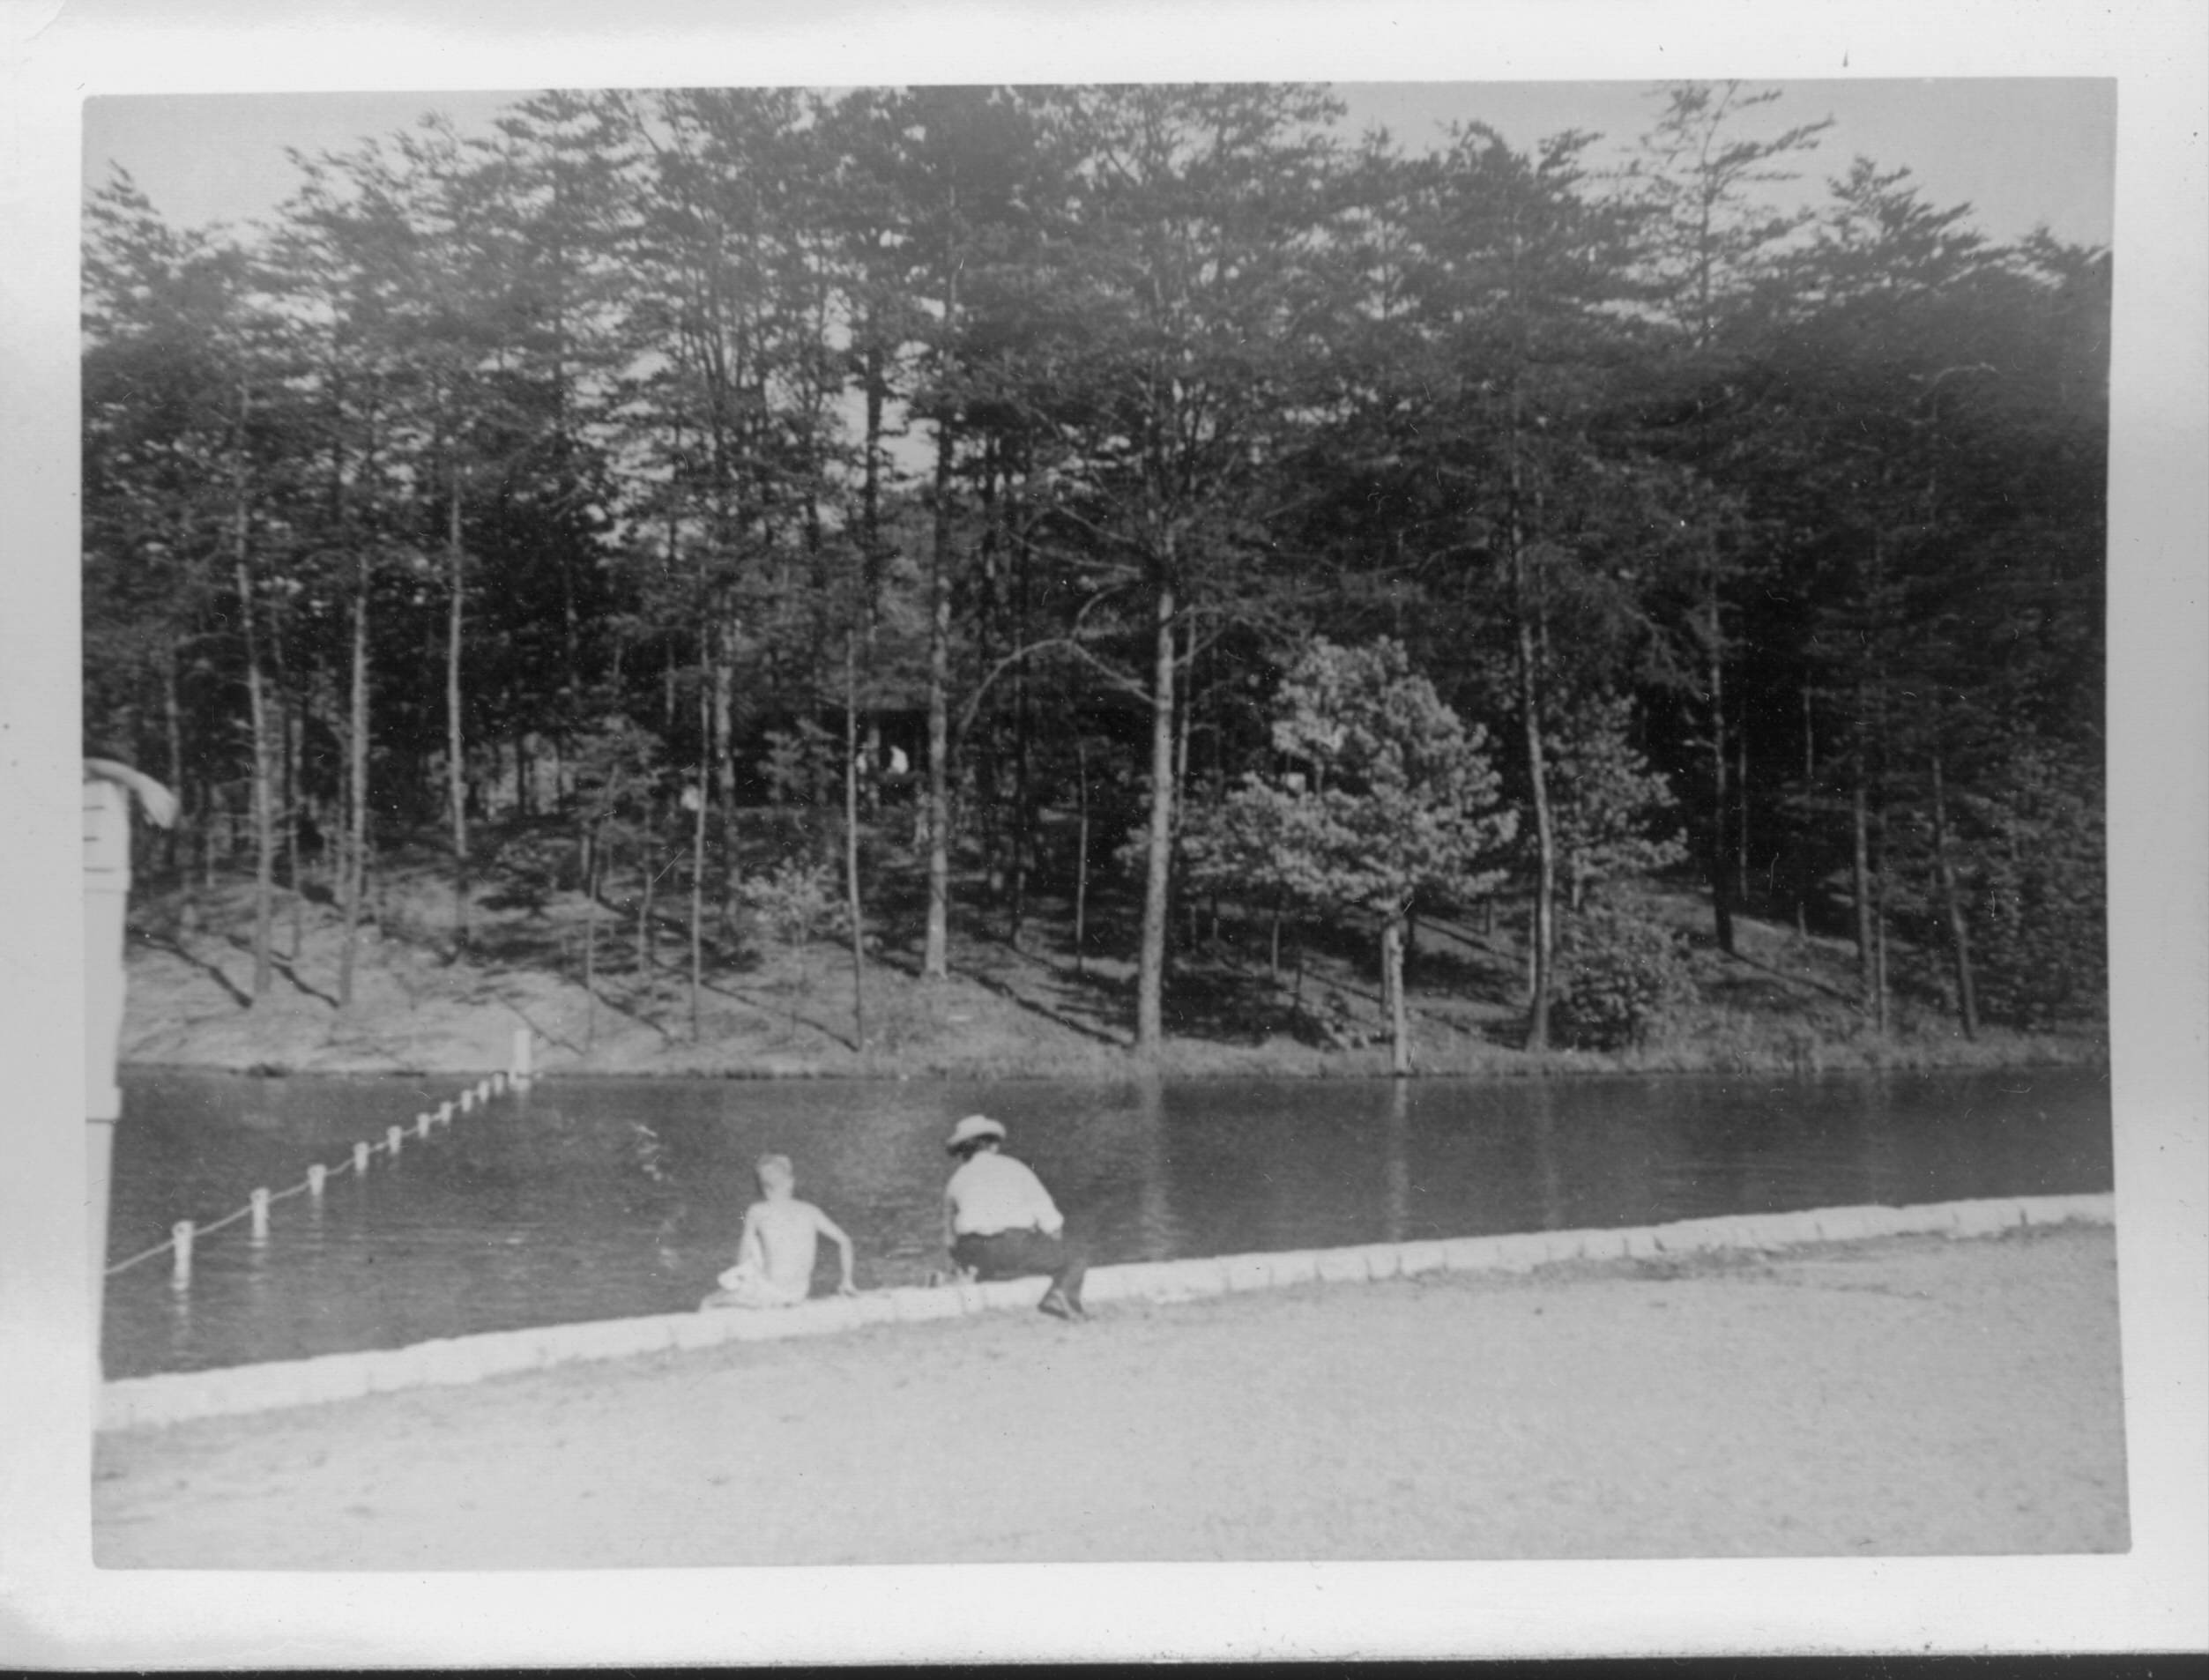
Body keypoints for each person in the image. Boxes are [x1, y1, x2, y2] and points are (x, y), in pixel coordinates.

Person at [941, 1114, 1088, 1320]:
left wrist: (961, 1264)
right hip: (1014, 1245)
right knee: (1075, 1255)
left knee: (991, 1254)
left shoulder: (956, 1180)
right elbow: (1050, 1219)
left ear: (962, 1152)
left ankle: (979, 1275)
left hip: (974, 1252)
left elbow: (950, 1239)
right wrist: (1053, 1246)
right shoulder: (1014, 1168)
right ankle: (1060, 1296)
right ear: (993, 1145)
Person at [701, 1154, 858, 1310]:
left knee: (710, 1300)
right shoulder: (811, 1211)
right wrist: (847, 1281)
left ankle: (737, 1296)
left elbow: (743, 1255)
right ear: (791, 1183)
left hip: (770, 1290)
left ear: (764, 1188)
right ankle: (753, 1293)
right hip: (798, 1292)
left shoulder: (757, 1210)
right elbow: (845, 1241)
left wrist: (739, 1278)